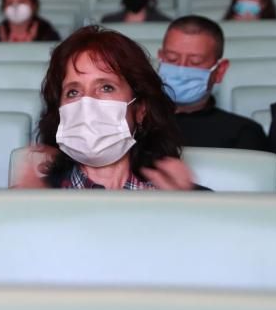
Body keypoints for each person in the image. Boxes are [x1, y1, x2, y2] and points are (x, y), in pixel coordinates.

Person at [15, 26, 198, 191]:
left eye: (106, 87)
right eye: (73, 92)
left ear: (141, 109)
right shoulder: (35, 196)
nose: (87, 103)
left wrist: (182, 209)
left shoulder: (182, 197)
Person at [158, 16, 271, 151]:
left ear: (219, 71)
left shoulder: (243, 132)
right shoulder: (135, 120)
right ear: (160, 58)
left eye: (195, 62)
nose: (182, 69)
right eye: (172, 59)